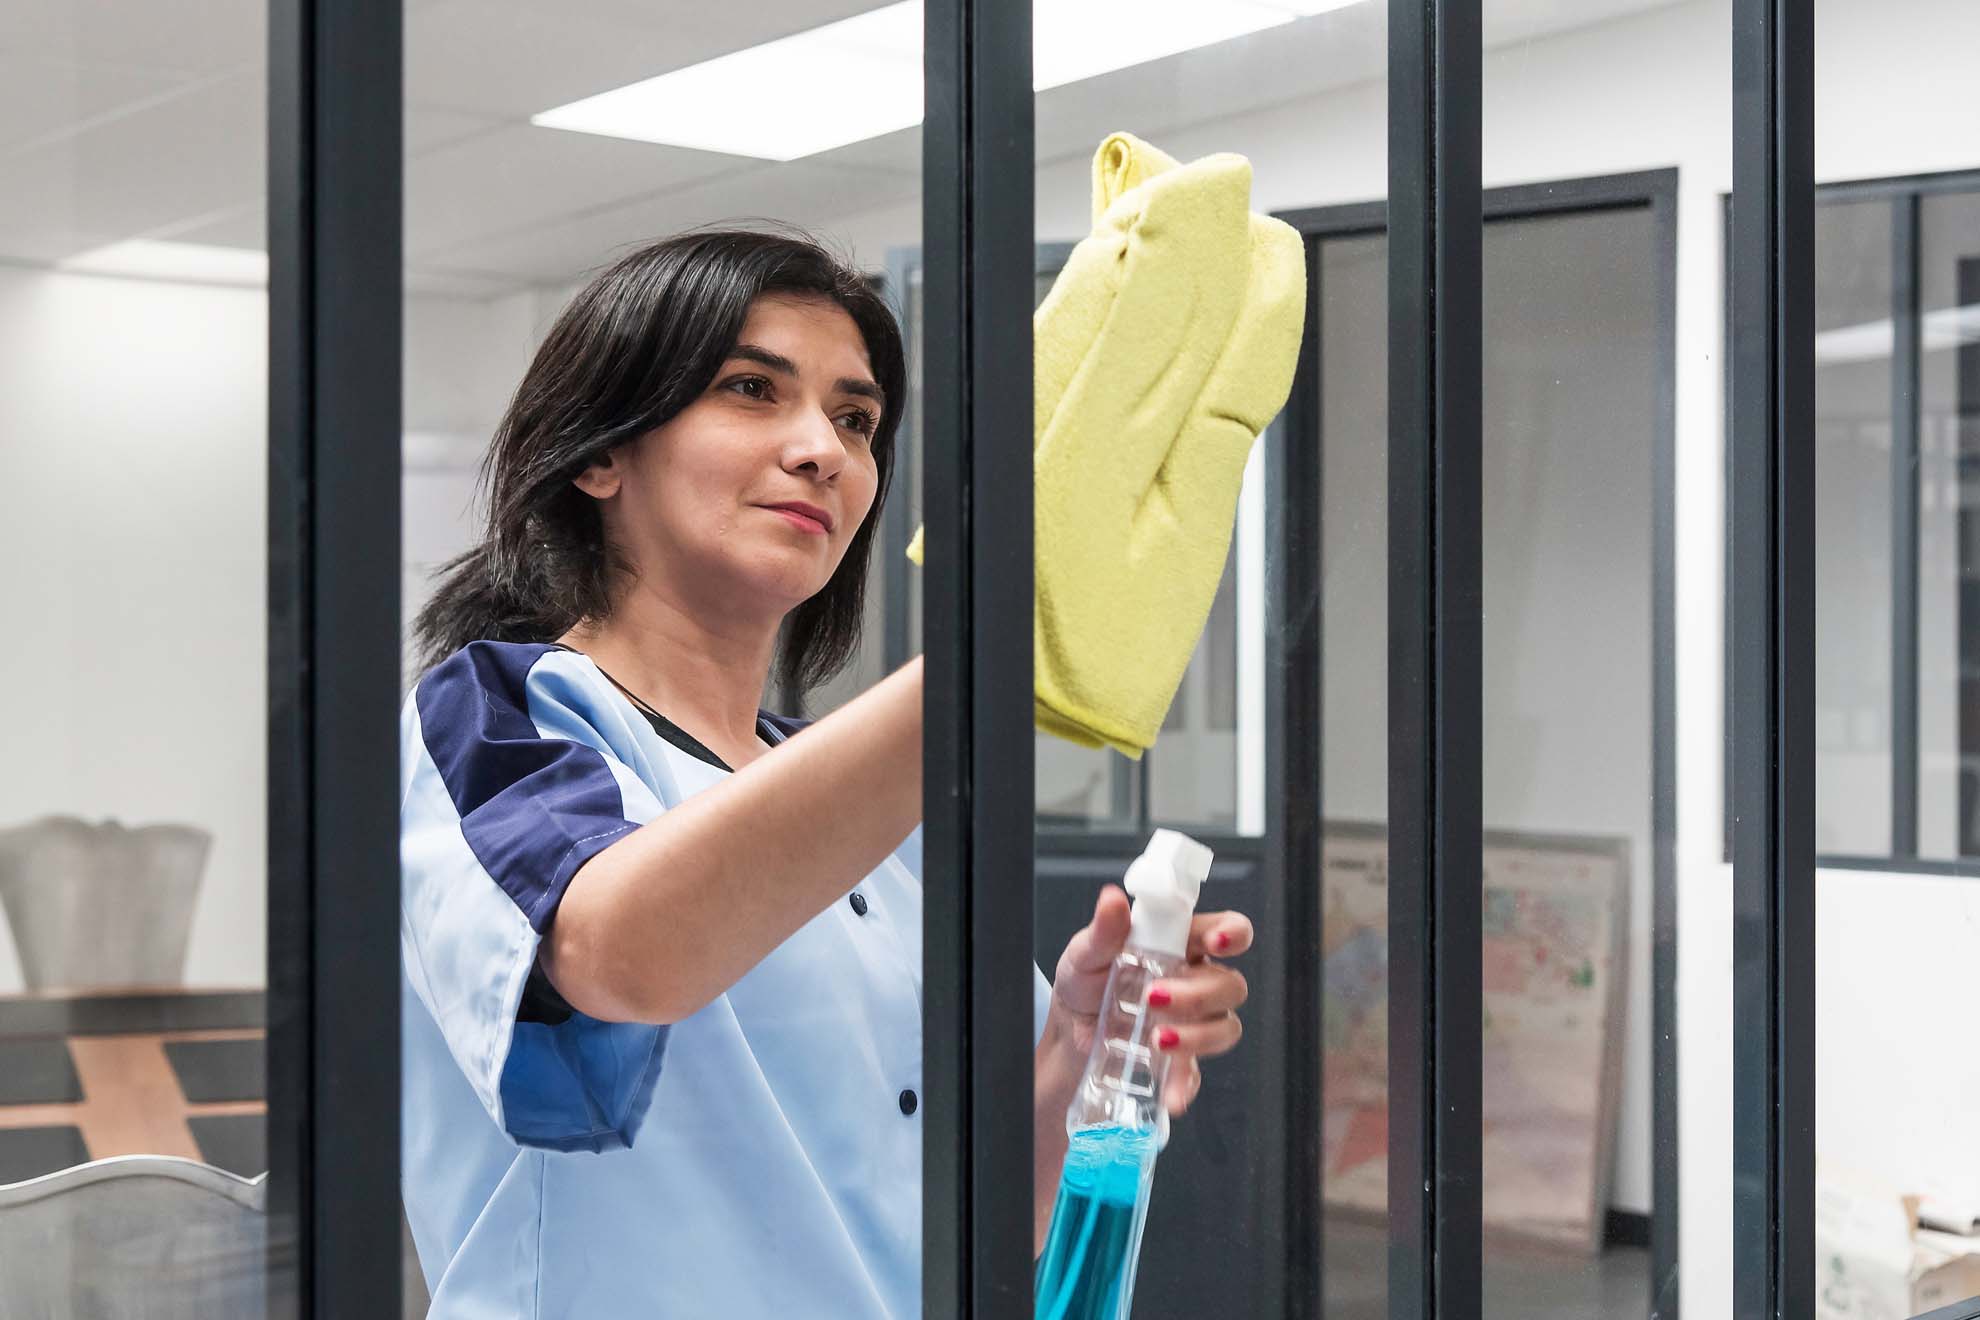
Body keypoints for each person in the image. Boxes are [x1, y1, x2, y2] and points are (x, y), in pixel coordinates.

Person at [398, 227, 1253, 1318]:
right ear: (600, 454)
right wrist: (991, 655)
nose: (825, 451)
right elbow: (620, 952)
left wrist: (1082, 1045)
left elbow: (982, 1214)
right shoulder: (505, 717)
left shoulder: (866, 814)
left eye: (857, 419)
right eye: (752, 389)